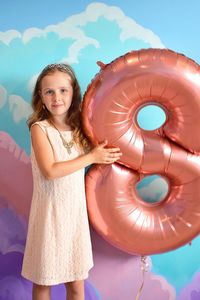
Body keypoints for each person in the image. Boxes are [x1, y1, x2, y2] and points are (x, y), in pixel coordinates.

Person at [21, 63, 122, 300]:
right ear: (41, 97)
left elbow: (108, 113)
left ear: (73, 92)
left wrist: (110, 77)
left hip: (74, 218)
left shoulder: (80, 128)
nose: (57, 97)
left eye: (63, 90)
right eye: (49, 92)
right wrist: (91, 156)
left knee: (76, 286)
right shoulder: (40, 129)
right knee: (44, 283)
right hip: (49, 218)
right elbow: (50, 171)